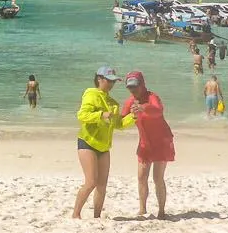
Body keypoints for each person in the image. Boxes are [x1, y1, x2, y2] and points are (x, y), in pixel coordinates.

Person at [72, 67, 126, 219]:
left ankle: (97, 217)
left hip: (104, 146)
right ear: (99, 79)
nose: (111, 84)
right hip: (87, 142)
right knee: (91, 182)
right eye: (109, 80)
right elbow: (82, 115)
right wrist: (101, 115)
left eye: (113, 81)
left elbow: (119, 124)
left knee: (102, 185)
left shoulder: (113, 103)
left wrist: (134, 116)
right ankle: (76, 214)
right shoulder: (91, 94)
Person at [120, 71, 174, 218]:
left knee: (157, 178)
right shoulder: (130, 102)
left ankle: (161, 211)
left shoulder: (152, 97)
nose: (133, 90)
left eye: (135, 86)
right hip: (145, 142)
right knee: (141, 176)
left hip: (162, 141)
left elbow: (158, 111)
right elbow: (121, 121)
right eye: (130, 87)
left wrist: (144, 108)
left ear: (142, 84)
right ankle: (142, 209)